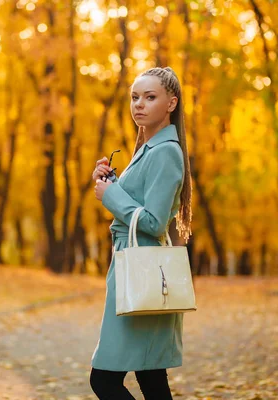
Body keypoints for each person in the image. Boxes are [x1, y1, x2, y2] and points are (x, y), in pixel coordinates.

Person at [89, 66, 193, 400]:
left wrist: (111, 196)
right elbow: (142, 204)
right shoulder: (149, 148)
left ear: (171, 103)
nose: (139, 104)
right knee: (150, 377)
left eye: (150, 97)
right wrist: (111, 183)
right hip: (136, 267)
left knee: (104, 381)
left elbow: (153, 221)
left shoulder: (165, 152)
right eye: (135, 97)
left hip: (142, 269)